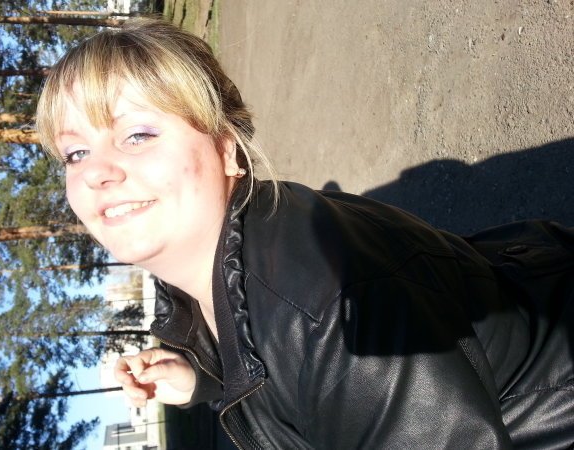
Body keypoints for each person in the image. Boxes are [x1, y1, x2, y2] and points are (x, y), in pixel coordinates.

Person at [36, 18, 574, 449]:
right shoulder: (227, 268)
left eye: (137, 135)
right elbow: (273, 359)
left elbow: (311, 347)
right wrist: (200, 380)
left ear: (226, 148)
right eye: (75, 152)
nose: (95, 171)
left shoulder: (329, 313)